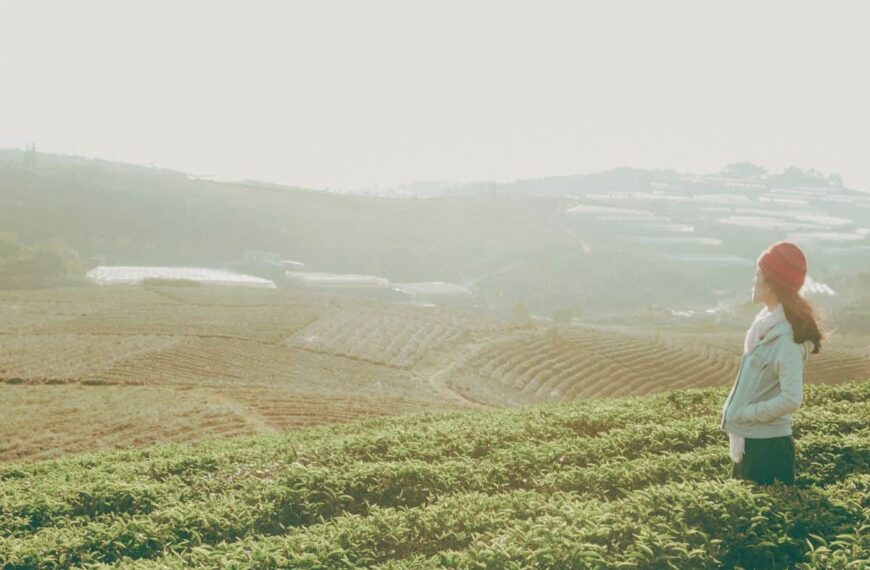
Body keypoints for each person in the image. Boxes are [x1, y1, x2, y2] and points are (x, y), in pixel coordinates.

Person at [720, 241, 823, 486]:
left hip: (768, 450)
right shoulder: (765, 326)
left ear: (773, 283)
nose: (753, 281)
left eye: (758, 274)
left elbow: (792, 398)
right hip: (751, 443)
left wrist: (747, 414)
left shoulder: (786, 339)